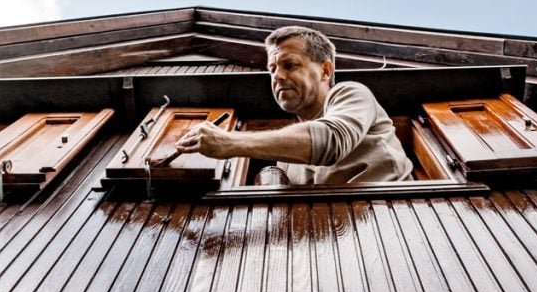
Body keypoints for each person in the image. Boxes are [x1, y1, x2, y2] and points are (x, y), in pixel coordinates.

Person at [174, 25, 413, 185]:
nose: (276, 76)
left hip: (391, 224)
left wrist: (228, 142)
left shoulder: (351, 93)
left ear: (325, 70)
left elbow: (330, 140)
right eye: (272, 68)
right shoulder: (286, 158)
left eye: (289, 65)